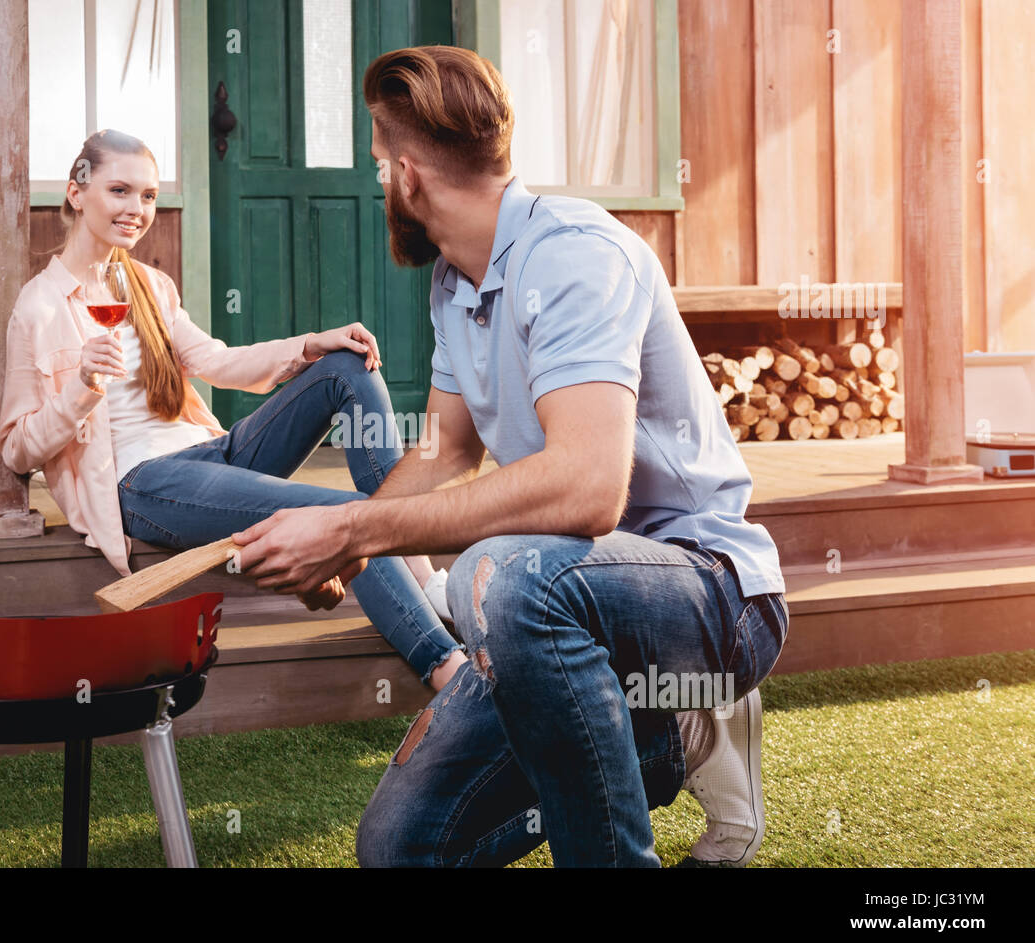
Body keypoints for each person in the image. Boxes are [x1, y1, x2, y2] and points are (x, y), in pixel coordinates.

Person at [230, 47, 790, 867]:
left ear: (409, 176)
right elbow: (448, 447)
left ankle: (663, 743)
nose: (379, 181)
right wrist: (349, 547)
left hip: (709, 593)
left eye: (380, 163)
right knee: (398, 846)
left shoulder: (572, 255)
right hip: (564, 600)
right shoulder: (457, 281)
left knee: (506, 573)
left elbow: (588, 488)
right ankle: (671, 736)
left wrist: (351, 528)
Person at [0, 129, 467, 692]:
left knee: (344, 366)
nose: (136, 209)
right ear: (77, 192)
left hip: (207, 455)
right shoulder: (38, 305)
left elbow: (217, 361)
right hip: (142, 483)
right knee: (344, 513)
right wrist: (81, 386)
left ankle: (417, 563)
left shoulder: (148, 284)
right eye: (119, 190)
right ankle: (450, 673)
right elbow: (17, 448)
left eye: (148, 196)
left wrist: (309, 344)